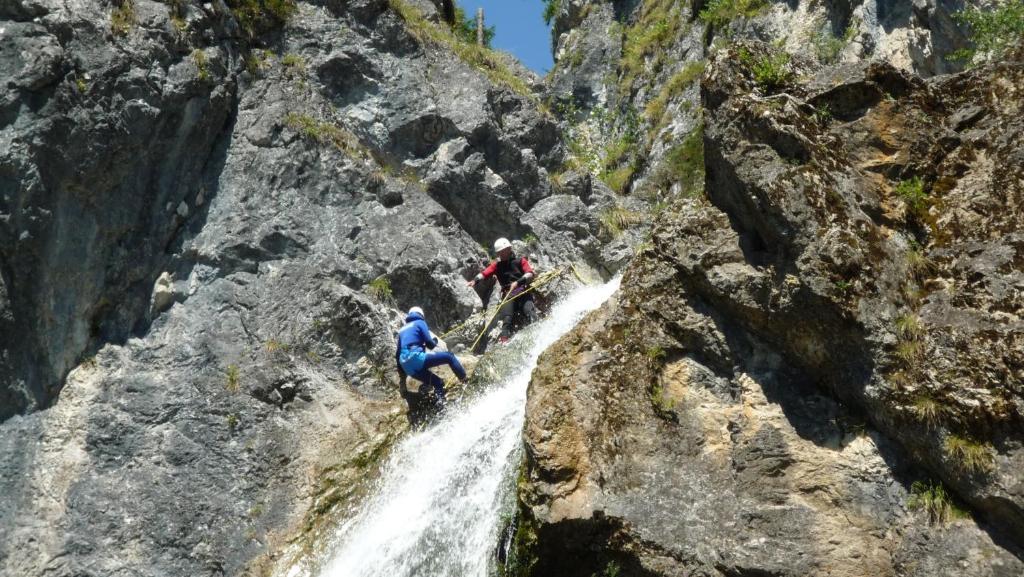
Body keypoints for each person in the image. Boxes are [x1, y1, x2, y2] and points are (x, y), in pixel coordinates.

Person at [467, 237, 540, 345]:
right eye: (499, 252)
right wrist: (475, 280)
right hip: (508, 294)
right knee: (507, 318)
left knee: (529, 311)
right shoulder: (497, 265)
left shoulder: (520, 261)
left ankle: (537, 332)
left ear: (509, 249)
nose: (501, 254)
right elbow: (485, 273)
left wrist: (518, 282)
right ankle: (504, 341)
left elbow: (529, 273)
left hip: (522, 290)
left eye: (502, 251)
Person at [395, 306, 467, 405]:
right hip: (416, 357)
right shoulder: (420, 322)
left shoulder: (402, 330)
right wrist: (434, 341)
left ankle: (440, 405)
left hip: (406, 366)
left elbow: (398, 353)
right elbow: (429, 343)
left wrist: (402, 375)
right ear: (421, 315)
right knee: (449, 356)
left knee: (438, 383)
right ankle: (465, 381)